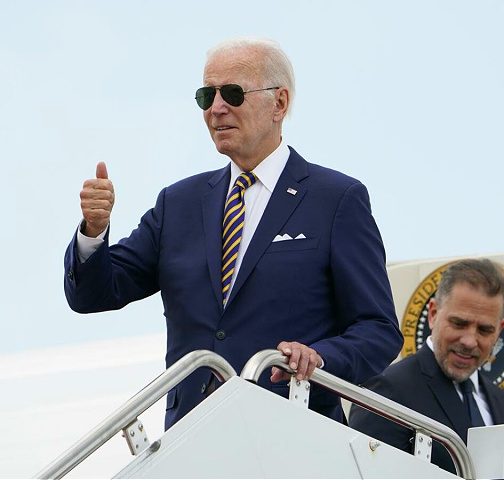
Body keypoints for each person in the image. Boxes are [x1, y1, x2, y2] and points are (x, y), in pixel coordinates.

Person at [64, 38, 403, 430]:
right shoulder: (179, 203)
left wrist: (320, 357)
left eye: (233, 94)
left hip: (292, 434)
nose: (216, 108)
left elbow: (378, 330)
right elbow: (94, 294)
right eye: (207, 96)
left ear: (279, 103)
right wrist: (94, 230)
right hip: (191, 437)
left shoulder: (337, 199)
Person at [349, 259, 504, 474]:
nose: (469, 341)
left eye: (485, 330)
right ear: (433, 314)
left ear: (500, 329)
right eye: (459, 323)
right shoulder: (386, 392)